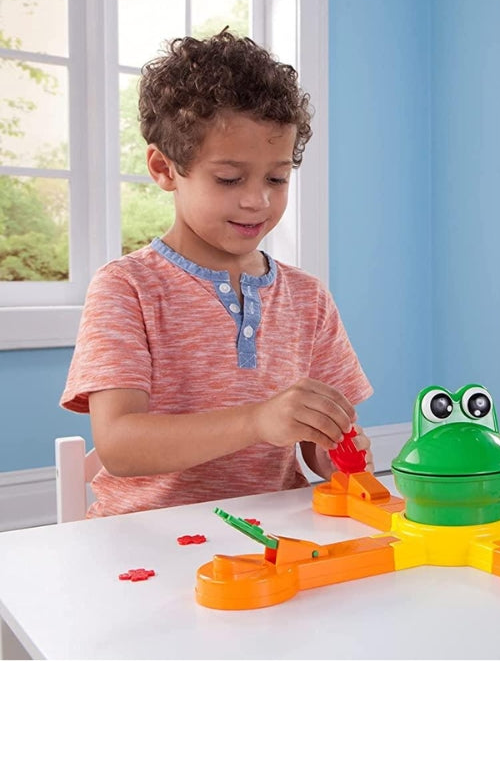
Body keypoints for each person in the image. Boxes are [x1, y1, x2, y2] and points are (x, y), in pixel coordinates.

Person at [61, 30, 373, 517]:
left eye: (277, 178)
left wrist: (336, 452)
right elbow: (119, 445)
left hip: (272, 531)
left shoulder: (308, 298)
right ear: (164, 169)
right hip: (144, 537)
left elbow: (316, 446)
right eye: (229, 178)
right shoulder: (127, 288)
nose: (257, 200)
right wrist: (258, 421)